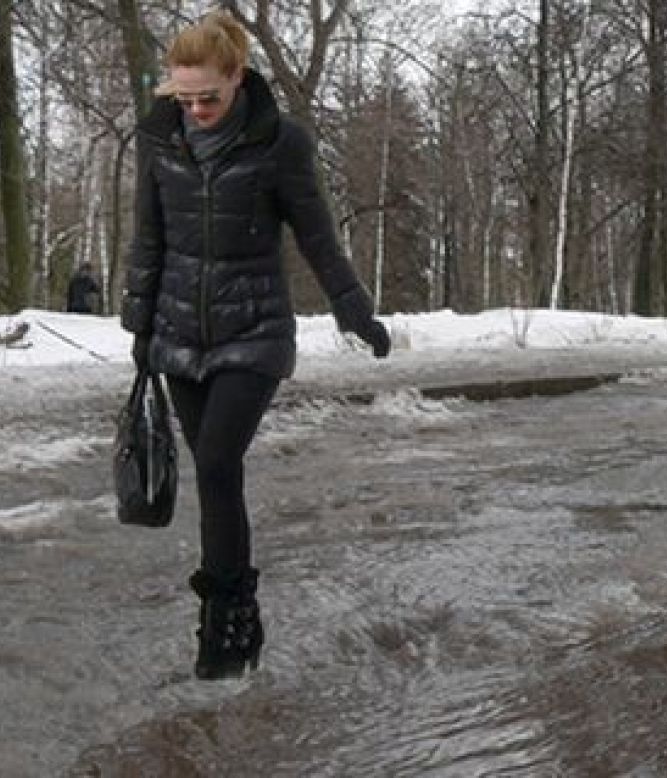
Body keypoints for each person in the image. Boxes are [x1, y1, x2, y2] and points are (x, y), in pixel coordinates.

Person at [119, 11, 391, 680]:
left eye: (208, 97)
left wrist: (354, 309)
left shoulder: (280, 142)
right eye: (184, 99)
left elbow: (317, 235)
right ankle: (238, 619)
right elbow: (149, 239)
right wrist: (140, 329)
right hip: (180, 335)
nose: (197, 110)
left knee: (216, 460)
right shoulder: (158, 140)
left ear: (237, 77)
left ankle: (225, 624)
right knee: (216, 479)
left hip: (255, 331)